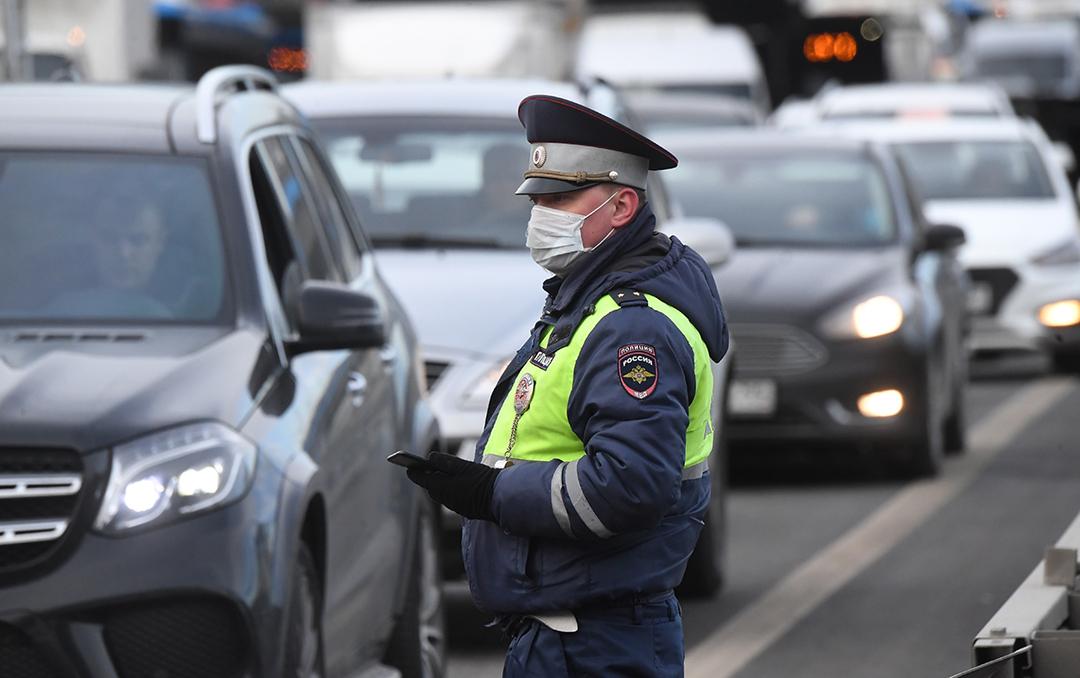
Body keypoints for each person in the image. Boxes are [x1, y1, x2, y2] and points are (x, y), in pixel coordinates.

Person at [405, 95, 729, 677]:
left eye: (559, 199)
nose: (541, 216)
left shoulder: (632, 328)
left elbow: (630, 484)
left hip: (594, 644)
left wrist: (492, 494)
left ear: (622, 205)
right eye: (537, 200)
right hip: (570, 636)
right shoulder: (586, 303)